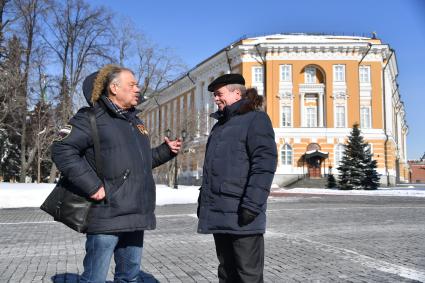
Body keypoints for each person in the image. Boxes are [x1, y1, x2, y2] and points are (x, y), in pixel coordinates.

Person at [51, 64, 182, 282]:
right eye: (132, 84)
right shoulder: (90, 118)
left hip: (136, 213)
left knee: (129, 278)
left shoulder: (135, 122)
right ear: (114, 87)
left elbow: (138, 162)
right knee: (95, 279)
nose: (137, 89)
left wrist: (165, 151)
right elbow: (62, 149)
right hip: (106, 215)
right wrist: (92, 186)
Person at [197, 74, 277, 283]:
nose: (215, 99)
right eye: (214, 95)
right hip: (220, 214)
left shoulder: (256, 119)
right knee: (226, 273)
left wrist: (251, 205)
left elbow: (264, 165)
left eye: (219, 94)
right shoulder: (220, 126)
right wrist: (202, 203)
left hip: (243, 216)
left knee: (247, 276)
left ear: (236, 93)